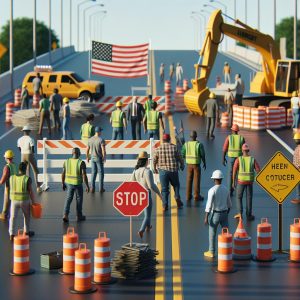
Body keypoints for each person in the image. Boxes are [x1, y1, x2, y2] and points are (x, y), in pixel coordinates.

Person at [131, 151, 162, 238]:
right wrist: (159, 194)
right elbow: (151, 186)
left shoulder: (135, 171)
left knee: (147, 212)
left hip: (139, 194)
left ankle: (148, 226)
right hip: (146, 194)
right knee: (147, 215)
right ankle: (141, 230)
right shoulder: (148, 172)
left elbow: (131, 183)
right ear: (146, 161)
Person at [203, 170, 232, 258]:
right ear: (221, 179)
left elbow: (209, 204)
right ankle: (227, 249)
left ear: (214, 179)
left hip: (215, 214)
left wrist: (206, 217)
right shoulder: (226, 189)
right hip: (224, 214)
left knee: (212, 232)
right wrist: (227, 213)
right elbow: (229, 204)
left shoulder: (212, 190)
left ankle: (211, 251)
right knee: (226, 232)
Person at [153, 133, 184, 211]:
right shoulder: (174, 148)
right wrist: (182, 165)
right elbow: (180, 158)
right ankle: (177, 196)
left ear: (163, 140)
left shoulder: (158, 148)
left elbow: (154, 160)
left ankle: (165, 204)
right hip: (173, 170)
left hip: (163, 171)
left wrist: (155, 168)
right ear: (169, 139)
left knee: (164, 189)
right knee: (176, 185)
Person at [232, 143, 260, 221]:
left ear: (242, 150)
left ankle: (240, 214)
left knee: (238, 197)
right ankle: (249, 215)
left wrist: (233, 182)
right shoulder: (252, 159)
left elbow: (234, 171)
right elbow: (258, 170)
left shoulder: (238, 159)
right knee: (249, 198)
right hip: (250, 182)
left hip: (241, 182)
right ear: (248, 150)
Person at [9, 162, 36, 241]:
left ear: (19, 169)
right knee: (26, 216)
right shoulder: (27, 179)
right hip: (24, 201)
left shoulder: (12, 177)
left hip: (14, 200)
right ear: (25, 169)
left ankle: (11, 234)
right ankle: (26, 232)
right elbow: (30, 191)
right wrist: (34, 202)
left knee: (13, 217)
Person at [62, 148, 89, 222]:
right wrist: (87, 186)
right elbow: (84, 175)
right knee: (79, 199)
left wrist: (63, 183)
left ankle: (65, 215)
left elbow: (63, 173)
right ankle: (79, 216)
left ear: (72, 153)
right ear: (79, 154)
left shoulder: (66, 161)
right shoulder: (81, 162)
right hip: (78, 183)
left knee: (68, 199)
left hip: (69, 183)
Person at [181, 131, 206, 202]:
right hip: (196, 165)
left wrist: (183, 162)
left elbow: (182, 154)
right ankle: (196, 195)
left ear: (190, 136)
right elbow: (202, 155)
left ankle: (188, 196)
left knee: (189, 180)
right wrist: (204, 162)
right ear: (196, 136)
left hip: (188, 165)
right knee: (196, 180)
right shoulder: (199, 144)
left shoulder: (186, 144)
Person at [222, 124, 245, 195]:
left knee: (230, 173)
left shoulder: (229, 138)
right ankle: (238, 189)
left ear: (232, 130)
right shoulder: (241, 138)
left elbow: (225, 148)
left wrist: (223, 158)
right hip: (239, 158)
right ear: (237, 131)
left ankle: (229, 190)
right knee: (238, 174)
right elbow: (244, 149)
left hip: (231, 158)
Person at [18, 126, 42, 192]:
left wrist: (23, 152)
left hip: (22, 155)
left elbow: (19, 148)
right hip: (29, 154)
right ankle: (38, 186)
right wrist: (32, 154)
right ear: (29, 131)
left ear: (23, 131)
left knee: (25, 171)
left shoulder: (19, 139)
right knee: (35, 170)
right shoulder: (30, 139)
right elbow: (32, 149)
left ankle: (25, 186)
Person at [86, 126, 106, 193]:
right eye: (101, 131)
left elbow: (87, 150)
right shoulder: (101, 140)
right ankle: (101, 188)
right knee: (101, 173)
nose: (101, 132)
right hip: (99, 158)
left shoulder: (90, 139)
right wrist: (104, 157)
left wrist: (87, 157)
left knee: (93, 173)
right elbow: (103, 150)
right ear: (99, 132)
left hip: (92, 158)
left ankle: (92, 188)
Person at [0, 150, 17, 220]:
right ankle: (10, 213)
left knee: (6, 200)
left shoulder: (7, 167)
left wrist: (0, 183)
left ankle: (4, 214)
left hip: (9, 186)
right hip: (15, 185)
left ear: (6, 158)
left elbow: (4, 177)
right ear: (12, 158)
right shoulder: (14, 165)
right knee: (11, 200)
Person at [292, 133, 300, 204]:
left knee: (298, 184)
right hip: (297, 168)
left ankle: (298, 198)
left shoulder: (299, 148)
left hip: (298, 169)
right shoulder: (297, 148)